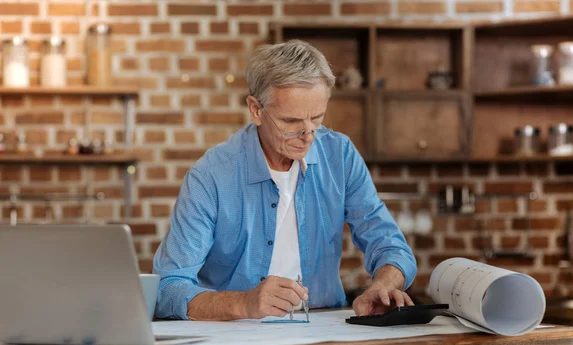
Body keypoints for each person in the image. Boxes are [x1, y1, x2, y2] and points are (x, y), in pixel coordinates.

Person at [153, 39, 417, 321]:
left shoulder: (339, 155)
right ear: (256, 110)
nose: (308, 135)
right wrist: (244, 303)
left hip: (325, 327)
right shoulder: (211, 176)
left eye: (316, 117)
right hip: (235, 335)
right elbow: (168, 288)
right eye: (291, 122)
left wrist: (383, 285)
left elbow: (390, 246)